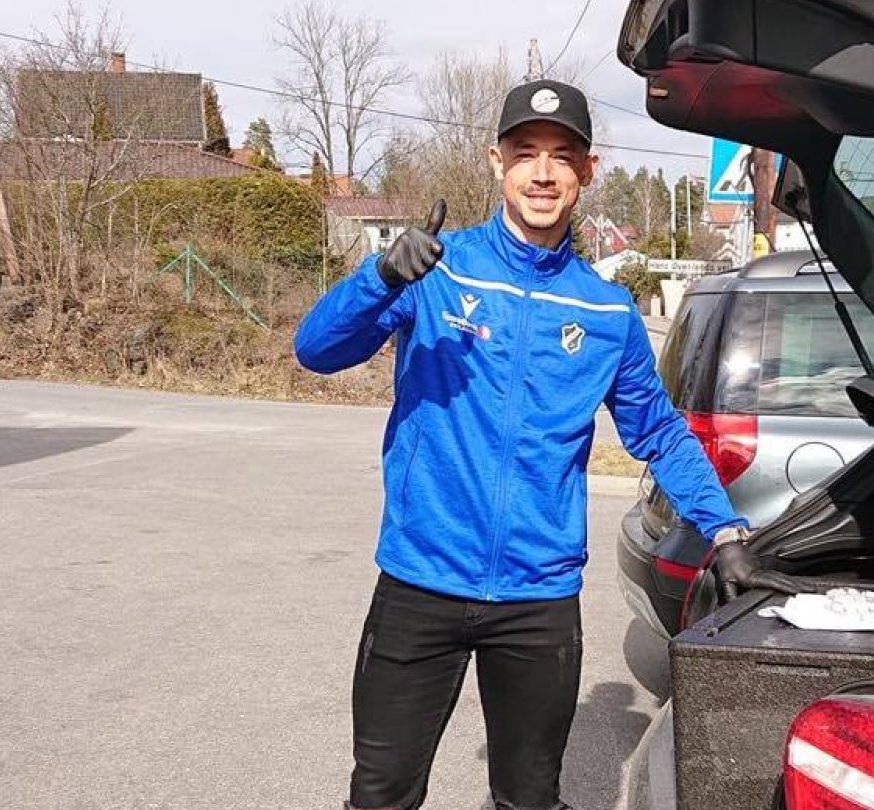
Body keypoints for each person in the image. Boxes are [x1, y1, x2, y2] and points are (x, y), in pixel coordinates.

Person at [294, 78, 799, 810]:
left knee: (530, 798)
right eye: (525, 152)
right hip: (421, 580)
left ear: (586, 171)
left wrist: (723, 530)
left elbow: (659, 432)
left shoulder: (606, 310)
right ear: (496, 162)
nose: (542, 172)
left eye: (561, 156)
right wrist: (379, 278)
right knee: (380, 795)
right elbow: (315, 351)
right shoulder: (437, 270)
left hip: (538, 600)